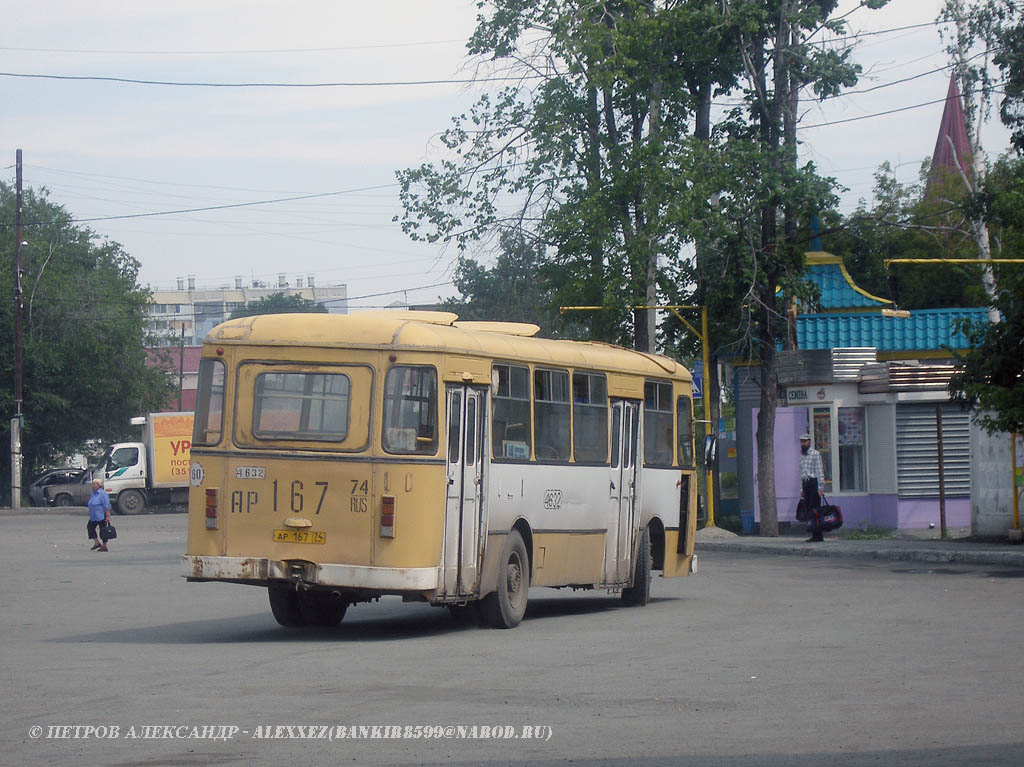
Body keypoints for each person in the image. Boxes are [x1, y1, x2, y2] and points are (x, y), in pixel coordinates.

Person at [799, 432, 826, 542]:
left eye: (805, 441)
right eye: (801, 442)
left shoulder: (815, 454)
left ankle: (819, 535)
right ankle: (814, 534)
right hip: (806, 484)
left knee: (816, 510)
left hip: (813, 483)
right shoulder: (802, 455)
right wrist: (801, 489)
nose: (803, 444)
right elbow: (801, 472)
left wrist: (820, 487)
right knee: (809, 510)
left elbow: (819, 471)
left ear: (809, 442)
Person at [87, 477, 112, 552]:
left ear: (100, 486)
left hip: (101, 515)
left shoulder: (102, 493)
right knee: (90, 527)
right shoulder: (93, 493)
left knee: (103, 530)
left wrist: (107, 516)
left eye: (96, 484)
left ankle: (104, 546)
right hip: (94, 516)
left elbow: (106, 505)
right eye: (93, 484)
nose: (94, 485)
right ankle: (96, 542)